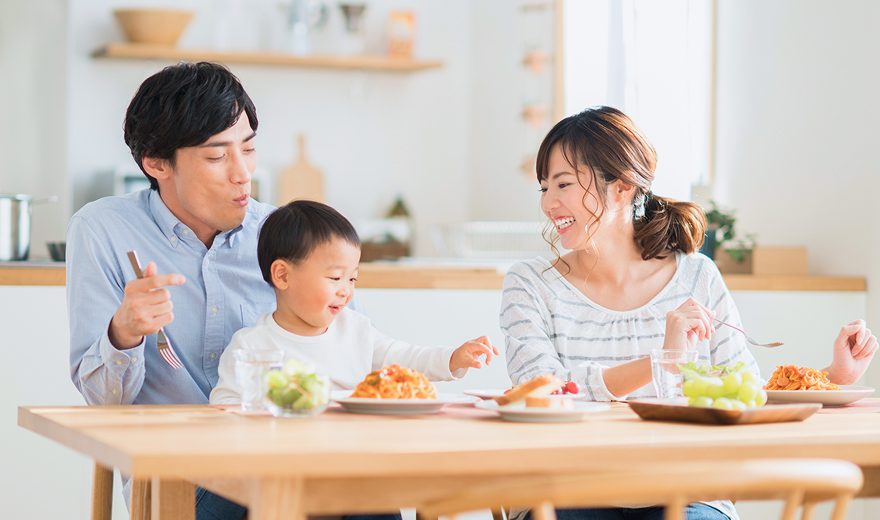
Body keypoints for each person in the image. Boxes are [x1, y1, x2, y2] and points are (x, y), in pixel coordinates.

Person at [499, 106, 877, 520]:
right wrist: (664, 361)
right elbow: (542, 393)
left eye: (563, 184)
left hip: (689, 490)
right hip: (565, 492)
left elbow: (743, 392)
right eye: (544, 188)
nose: (549, 203)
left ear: (623, 187)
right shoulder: (529, 284)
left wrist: (834, 377)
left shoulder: (697, 276)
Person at [66, 62, 366, 520]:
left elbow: (355, 353)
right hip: (181, 482)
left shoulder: (286, 236)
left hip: (296, 461)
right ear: (156, 163)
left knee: (368, 498)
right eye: (216, 157)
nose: (242, 174)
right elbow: (104, 403)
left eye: (248, 149)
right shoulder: (102, 230)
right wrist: (123, 333)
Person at [210, 200, 498, 406]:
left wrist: (452, 358)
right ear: (283, 275)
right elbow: (224, 404)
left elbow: (405, 357)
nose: (346, 291)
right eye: (335, 278)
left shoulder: (356, 329)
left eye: (352, 279)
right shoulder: (251, 347)